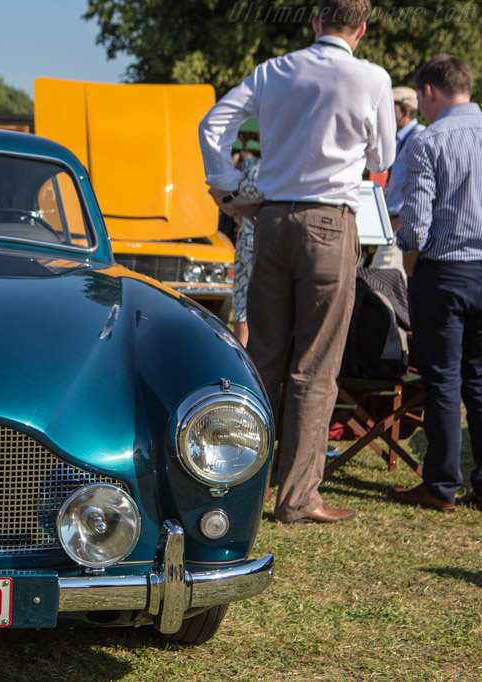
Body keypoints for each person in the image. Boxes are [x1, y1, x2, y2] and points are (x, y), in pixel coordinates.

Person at [198, 0, 395, 523]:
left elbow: (212, 122)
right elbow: (383, 162)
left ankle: (242, 484)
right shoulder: (372, 78)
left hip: (271, 219)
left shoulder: (274, 70)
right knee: (315, 366)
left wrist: (223, 187)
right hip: (330, 224)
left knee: (262, 358)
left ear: (314, 22)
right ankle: (297, 497)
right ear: (362, 27)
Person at [392, 54, 482, 513]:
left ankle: (441, 484)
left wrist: (403, 246)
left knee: (443, 379)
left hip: (444, 270)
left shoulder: (429, 140)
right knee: (480, 379)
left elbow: (416, 225)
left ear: (429, 91)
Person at [372, 86, 426, 273]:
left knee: (380, 290)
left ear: (406, 111)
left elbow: (423, 192)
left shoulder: (419, 138)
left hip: (400, 228)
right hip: (390, 226)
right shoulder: (399, 139)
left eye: (390, 106)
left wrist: (397, 224)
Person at [231, 154, 261, 347]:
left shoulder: (249, 166)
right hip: (262, 234)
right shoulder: (280, 166)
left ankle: (240, 353)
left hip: (245, 234)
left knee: (242, 298)